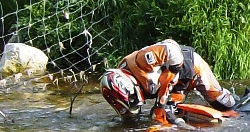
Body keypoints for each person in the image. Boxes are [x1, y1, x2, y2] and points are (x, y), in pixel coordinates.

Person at [100, 38, 240, 124]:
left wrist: (160, 101)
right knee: (168, 116)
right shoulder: (126, 77)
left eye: (131, 98)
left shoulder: (141, 60)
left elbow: (172, 48)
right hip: (176, 87)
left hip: (193, 68)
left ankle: (247, 102)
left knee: (223, 104)